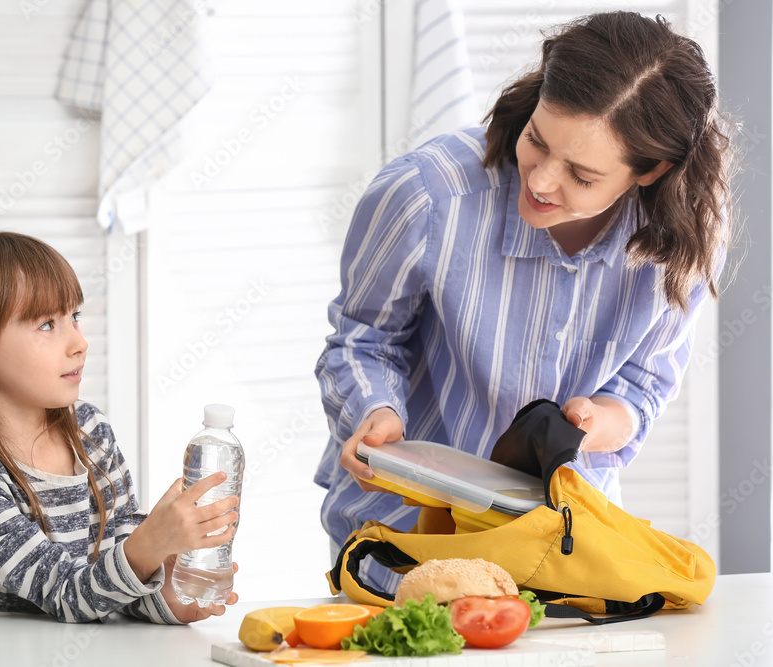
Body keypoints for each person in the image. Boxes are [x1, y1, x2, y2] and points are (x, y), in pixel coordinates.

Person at [314, 11, 735, 590]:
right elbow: (363, 340)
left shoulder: (679, 242)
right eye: (536, 140)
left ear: (652, 169)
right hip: (399, 546)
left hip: (560, 554)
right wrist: (375, 413)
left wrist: (597, 422)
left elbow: (642, 386)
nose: (539, 182)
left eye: (581, 175)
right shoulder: (427, 195)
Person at [0, 231, 239, 623]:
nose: (79, 342)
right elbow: (68, 594)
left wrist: (169, 597)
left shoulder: (91, 433)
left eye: (73, 317)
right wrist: (150, 545)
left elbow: (110, 587)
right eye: (46, 325)